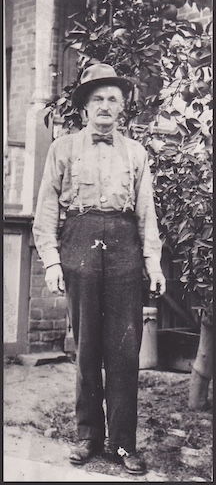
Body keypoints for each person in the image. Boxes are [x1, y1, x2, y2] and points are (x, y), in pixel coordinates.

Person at [33, 63, 166, 475]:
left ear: (122, 108)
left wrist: (153, 263)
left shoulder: (136, 152)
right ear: (85, 108)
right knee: (87, 345)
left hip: (125, 243)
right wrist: (53, 261)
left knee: (125, 350)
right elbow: (46, 209)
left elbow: (147, 213)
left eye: (113, 99)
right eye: (97, 99)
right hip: (80, 239)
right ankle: (88, 434)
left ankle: (123, 443)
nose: (105, 106)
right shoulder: (63, 148)